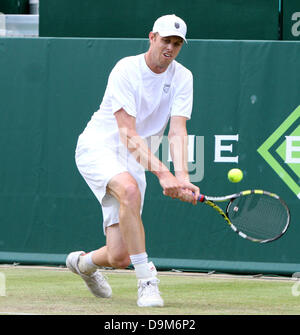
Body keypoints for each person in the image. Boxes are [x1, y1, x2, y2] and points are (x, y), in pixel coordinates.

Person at [66, 14, 200, 308]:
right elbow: (127, 133)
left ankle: (83, 264)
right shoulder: (126, 69)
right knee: (128, 189)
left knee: (119, 256)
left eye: (177, 43)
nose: (171, 47)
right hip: (99, 147)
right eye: (166, 40)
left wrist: (183, 176)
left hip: (135, 159)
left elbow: (178, 130)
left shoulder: (183, 77)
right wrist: (163, 173)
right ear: (151, 37)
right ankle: (147, 282)